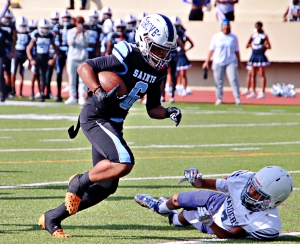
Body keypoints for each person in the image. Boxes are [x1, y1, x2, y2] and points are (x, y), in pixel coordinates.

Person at [38, 13, 182, 238]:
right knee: (124, 162)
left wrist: (168, 111)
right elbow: (84, 68)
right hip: (96, 116)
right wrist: (97, 91)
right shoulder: (127, 55)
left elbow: (153, 108)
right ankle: (78, 181)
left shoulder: (159, 70)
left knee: (107, 186)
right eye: (159, 49)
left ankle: (52, 217)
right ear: (144, 39)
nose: (163, 56)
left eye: (166, 51)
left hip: (114, 123)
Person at [135, 165, 293, 240]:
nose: (250, 192)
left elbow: (231, 237)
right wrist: (195, 179)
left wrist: (210, 223)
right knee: (177, 198)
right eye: (252, 186)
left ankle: (172, 217)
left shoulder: (266, 224)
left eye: (257, 193)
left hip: (219, 223)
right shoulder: (244, 179)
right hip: (219, 202)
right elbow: (202, 184)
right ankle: (158, 207)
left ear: (272, 201)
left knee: (183, 216)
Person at [202, 19, 241, 105]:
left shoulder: (233, 37)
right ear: (221, 26)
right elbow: (211, 50)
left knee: (233, 79)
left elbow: (237, 51)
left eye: (227, 25)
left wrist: (239, 61)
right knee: (219, 81)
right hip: (218, 61)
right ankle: (219, 98)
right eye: (224, 25)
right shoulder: (216, 37)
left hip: (231, 60)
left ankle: (237, 97)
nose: (226, 27)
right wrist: (206, 61)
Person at [26, 18, 58, 102]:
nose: (44, 30)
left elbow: (56, 50)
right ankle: (32, 92)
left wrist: (53, 59)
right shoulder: (35, 34)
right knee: (34, 74)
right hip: (37, 57)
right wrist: (31, 59)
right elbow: (28, 48)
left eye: (46, 28)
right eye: (43, 28)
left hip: (45, 57)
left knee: (43, 77)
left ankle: (42, 93)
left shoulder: (50, 35)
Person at [65, 16, 89, 105]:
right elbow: (70, 43)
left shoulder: (86, 32)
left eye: (81, 22)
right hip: (72, 58)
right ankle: (72, 96)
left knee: (82, 79)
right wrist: (76, 33)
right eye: (78, 22)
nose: (79, 24)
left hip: (82, 58)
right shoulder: (70, 31)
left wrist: (82, 34)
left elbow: (86, 44)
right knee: (72, 79)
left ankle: (81, 97)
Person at [245, 21, 271, 99]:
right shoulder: (253, 35)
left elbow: (269, 46)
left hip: (260, 56)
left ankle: (263, 91)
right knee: (253, 74)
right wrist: (252, 45)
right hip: (254, 56)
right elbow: (247, 45)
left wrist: (264, 47)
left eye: (258, 26)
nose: (257, 28)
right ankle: (253, 91)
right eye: (256, 27)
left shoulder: (264, 36)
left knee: (262, 74)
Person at [172, 16, 194, 97]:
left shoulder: (182, 34)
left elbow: (189, 44)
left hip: (182, 55)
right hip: (175, 55)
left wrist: (184, 48)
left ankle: (184, 88)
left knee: (183, 74)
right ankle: (177, 87)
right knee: (176, 73)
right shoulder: (171, 34)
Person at [11, 16, 30, 98]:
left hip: (22, 55)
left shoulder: (27, 34)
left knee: (21, 74)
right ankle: (13, 90)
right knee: (13, 72)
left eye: (23, 26)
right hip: (16, 54)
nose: (22, 27)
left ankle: (20, 92)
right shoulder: (16, 33)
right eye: (21, 26)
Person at [0, 0, 12, 102]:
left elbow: (2, 12)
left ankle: (3, 94)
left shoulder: (2, 31)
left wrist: (7, 4)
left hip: (1, 54)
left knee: (0, 73)